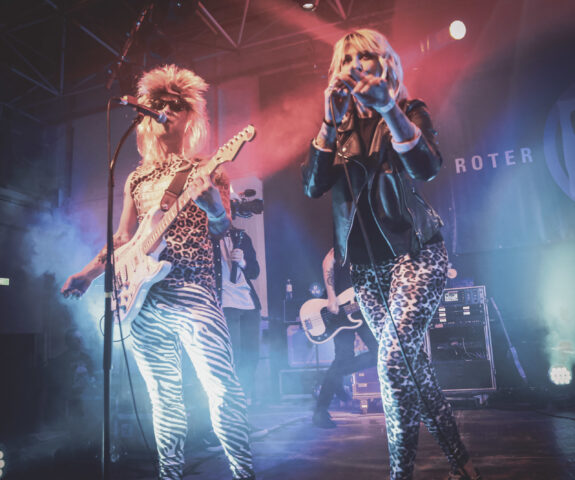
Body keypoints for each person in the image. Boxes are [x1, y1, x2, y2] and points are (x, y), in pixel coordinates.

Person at [301, 29, 482, 480]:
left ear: (385, 64)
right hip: (368, 271)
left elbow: (427, 166)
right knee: (413, 368)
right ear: (337, 71)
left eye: (366, 56)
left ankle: (400, 474)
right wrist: (327, 124)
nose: (357, 65)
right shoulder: (337, 131)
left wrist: (388, 109)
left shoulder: (408, 111)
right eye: (348, 59)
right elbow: (312, 186)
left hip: (416, 254)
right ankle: (463, 466)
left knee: (391, 360)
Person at [61, 64, 255, 480]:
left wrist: (214, 209)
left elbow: (223, 229)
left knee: (222, 387)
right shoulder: (136, 178)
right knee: (163, 398)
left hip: (193, 291)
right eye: (159, 103)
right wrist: (88, 274)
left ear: (190, 116)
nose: (167, 110)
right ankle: (170, 475)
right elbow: (122, 238)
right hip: (142, 301)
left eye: (177, 105)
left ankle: (244, 473)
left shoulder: (209, 169)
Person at [312, 247, 378, 428]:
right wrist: (331, 297)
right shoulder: (349, 237)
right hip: (340, 307)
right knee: (344, 357)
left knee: (381, 353)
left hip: (361, 308)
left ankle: (336, 376)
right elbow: (328, 261)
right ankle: (320, 411)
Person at [214, 224, 262, 406]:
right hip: (226, 303)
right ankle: (231, 400)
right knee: (234, 355)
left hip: (249, 304)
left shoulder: (241, 237)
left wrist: (243, 262)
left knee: (252, 354)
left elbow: (255, 271)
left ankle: (244, 398)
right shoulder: (206, 239)